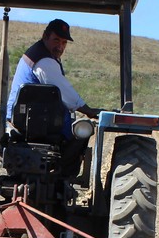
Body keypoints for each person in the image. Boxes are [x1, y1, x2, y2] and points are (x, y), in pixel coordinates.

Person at [6, 18, 101, 174]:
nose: (60, 46)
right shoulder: (43, 60)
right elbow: (64, 92)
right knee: (81, 134)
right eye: (56, 40)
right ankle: (62, 174)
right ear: (45, 36)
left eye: (64, 42)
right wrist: (88, 111)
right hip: (35, 119)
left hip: (24, 115)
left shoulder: (37, 54)